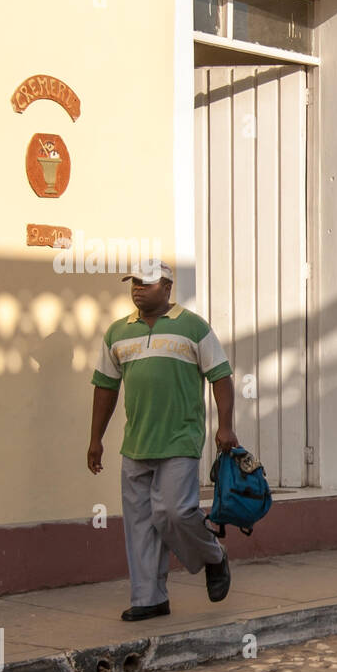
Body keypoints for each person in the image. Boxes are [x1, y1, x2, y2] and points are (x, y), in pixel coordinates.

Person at [87, 260, 238, 621]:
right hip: (136, 443)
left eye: (147, 283)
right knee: (139, 523)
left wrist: (225, 426)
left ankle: (213, 556)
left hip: (180, 438)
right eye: (134, 282)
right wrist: (96, 439)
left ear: (168, 288)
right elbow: (105, 387)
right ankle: (149, 598)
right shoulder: (118, 333)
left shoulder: (193, 327)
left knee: (174, 511)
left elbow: (221, 376)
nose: (138, 288)